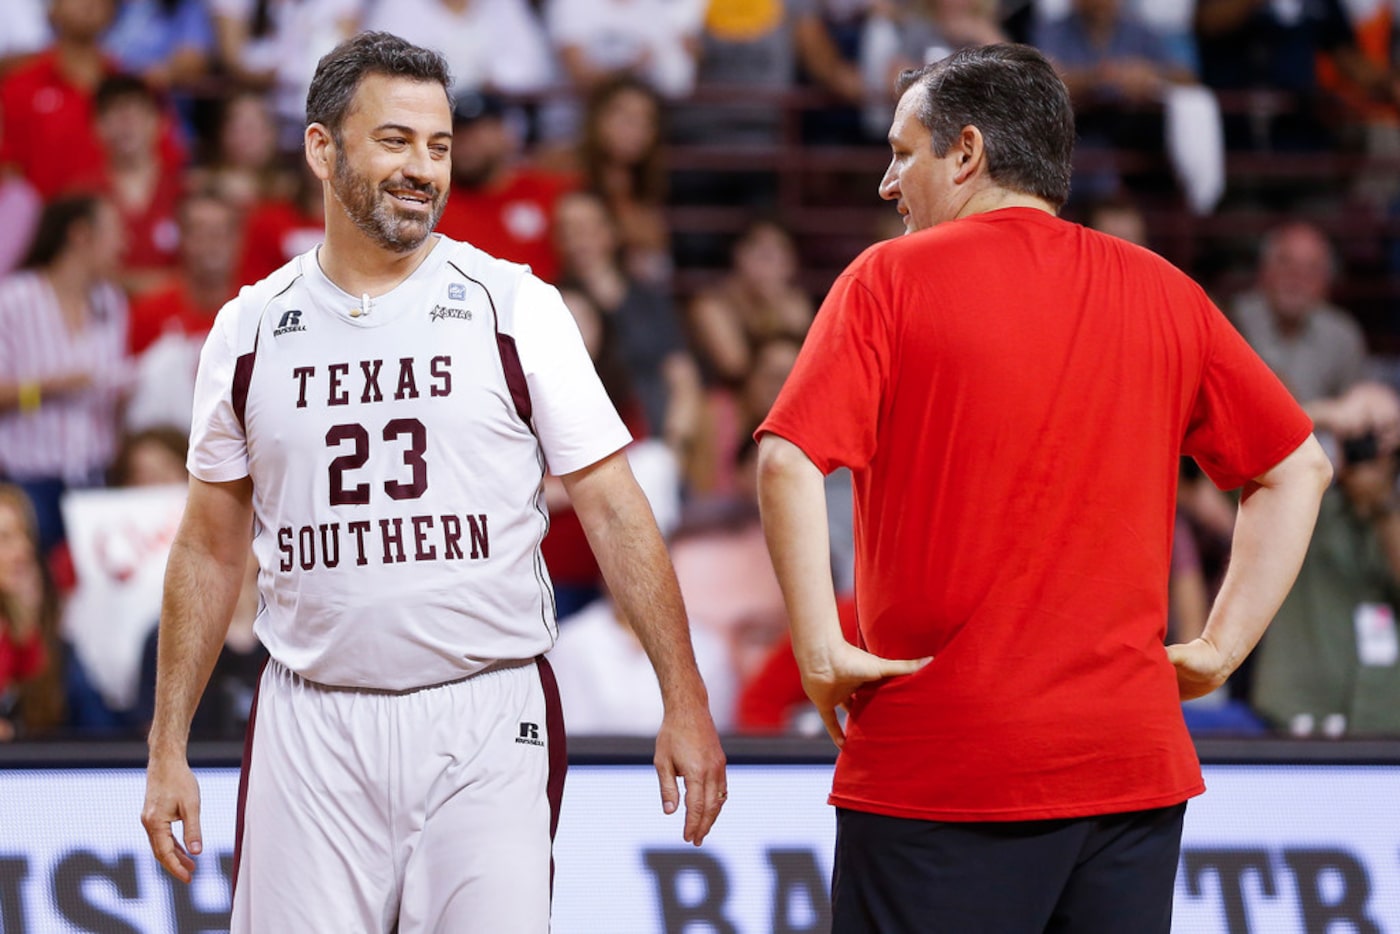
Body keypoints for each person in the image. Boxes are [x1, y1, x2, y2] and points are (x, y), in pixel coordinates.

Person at [140, 32, 726, 933]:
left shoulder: (514, 303)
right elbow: (208, 546)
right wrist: (167, 743)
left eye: (440, 146)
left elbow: (614, 509)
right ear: (322, 149)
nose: (424, 168)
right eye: (396, 141)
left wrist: (683, 699)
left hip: (485, 712)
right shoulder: (248, 328)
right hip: (312, 720)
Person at [754, 43, 1332, 932]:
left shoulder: (886, 279)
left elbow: (787, 458)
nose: (886, 182)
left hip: (941, 766)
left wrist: (822, 653)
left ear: (967, 152)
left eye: (903, 153)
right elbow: (1298, 467)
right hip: (1129, 773)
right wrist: (1218, 651)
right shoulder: (1166, 291)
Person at [0, 193, 131, 556]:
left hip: (93, 474)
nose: (123, 245)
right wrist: (47, 388)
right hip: (29, 479)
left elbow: (109, 383)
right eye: (114, 233)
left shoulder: (111, 301)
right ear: (80, 235)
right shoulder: (14, 299)